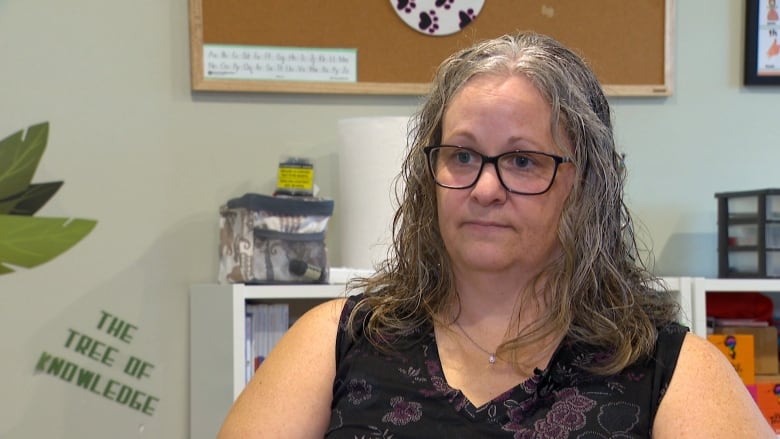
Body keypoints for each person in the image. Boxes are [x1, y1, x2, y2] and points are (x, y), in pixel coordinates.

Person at [217, 32, 774, 438]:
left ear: (585, 186)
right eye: (462, 156)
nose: (485, 188)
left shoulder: (669, 371)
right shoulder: (336, 343)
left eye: (523, 161)